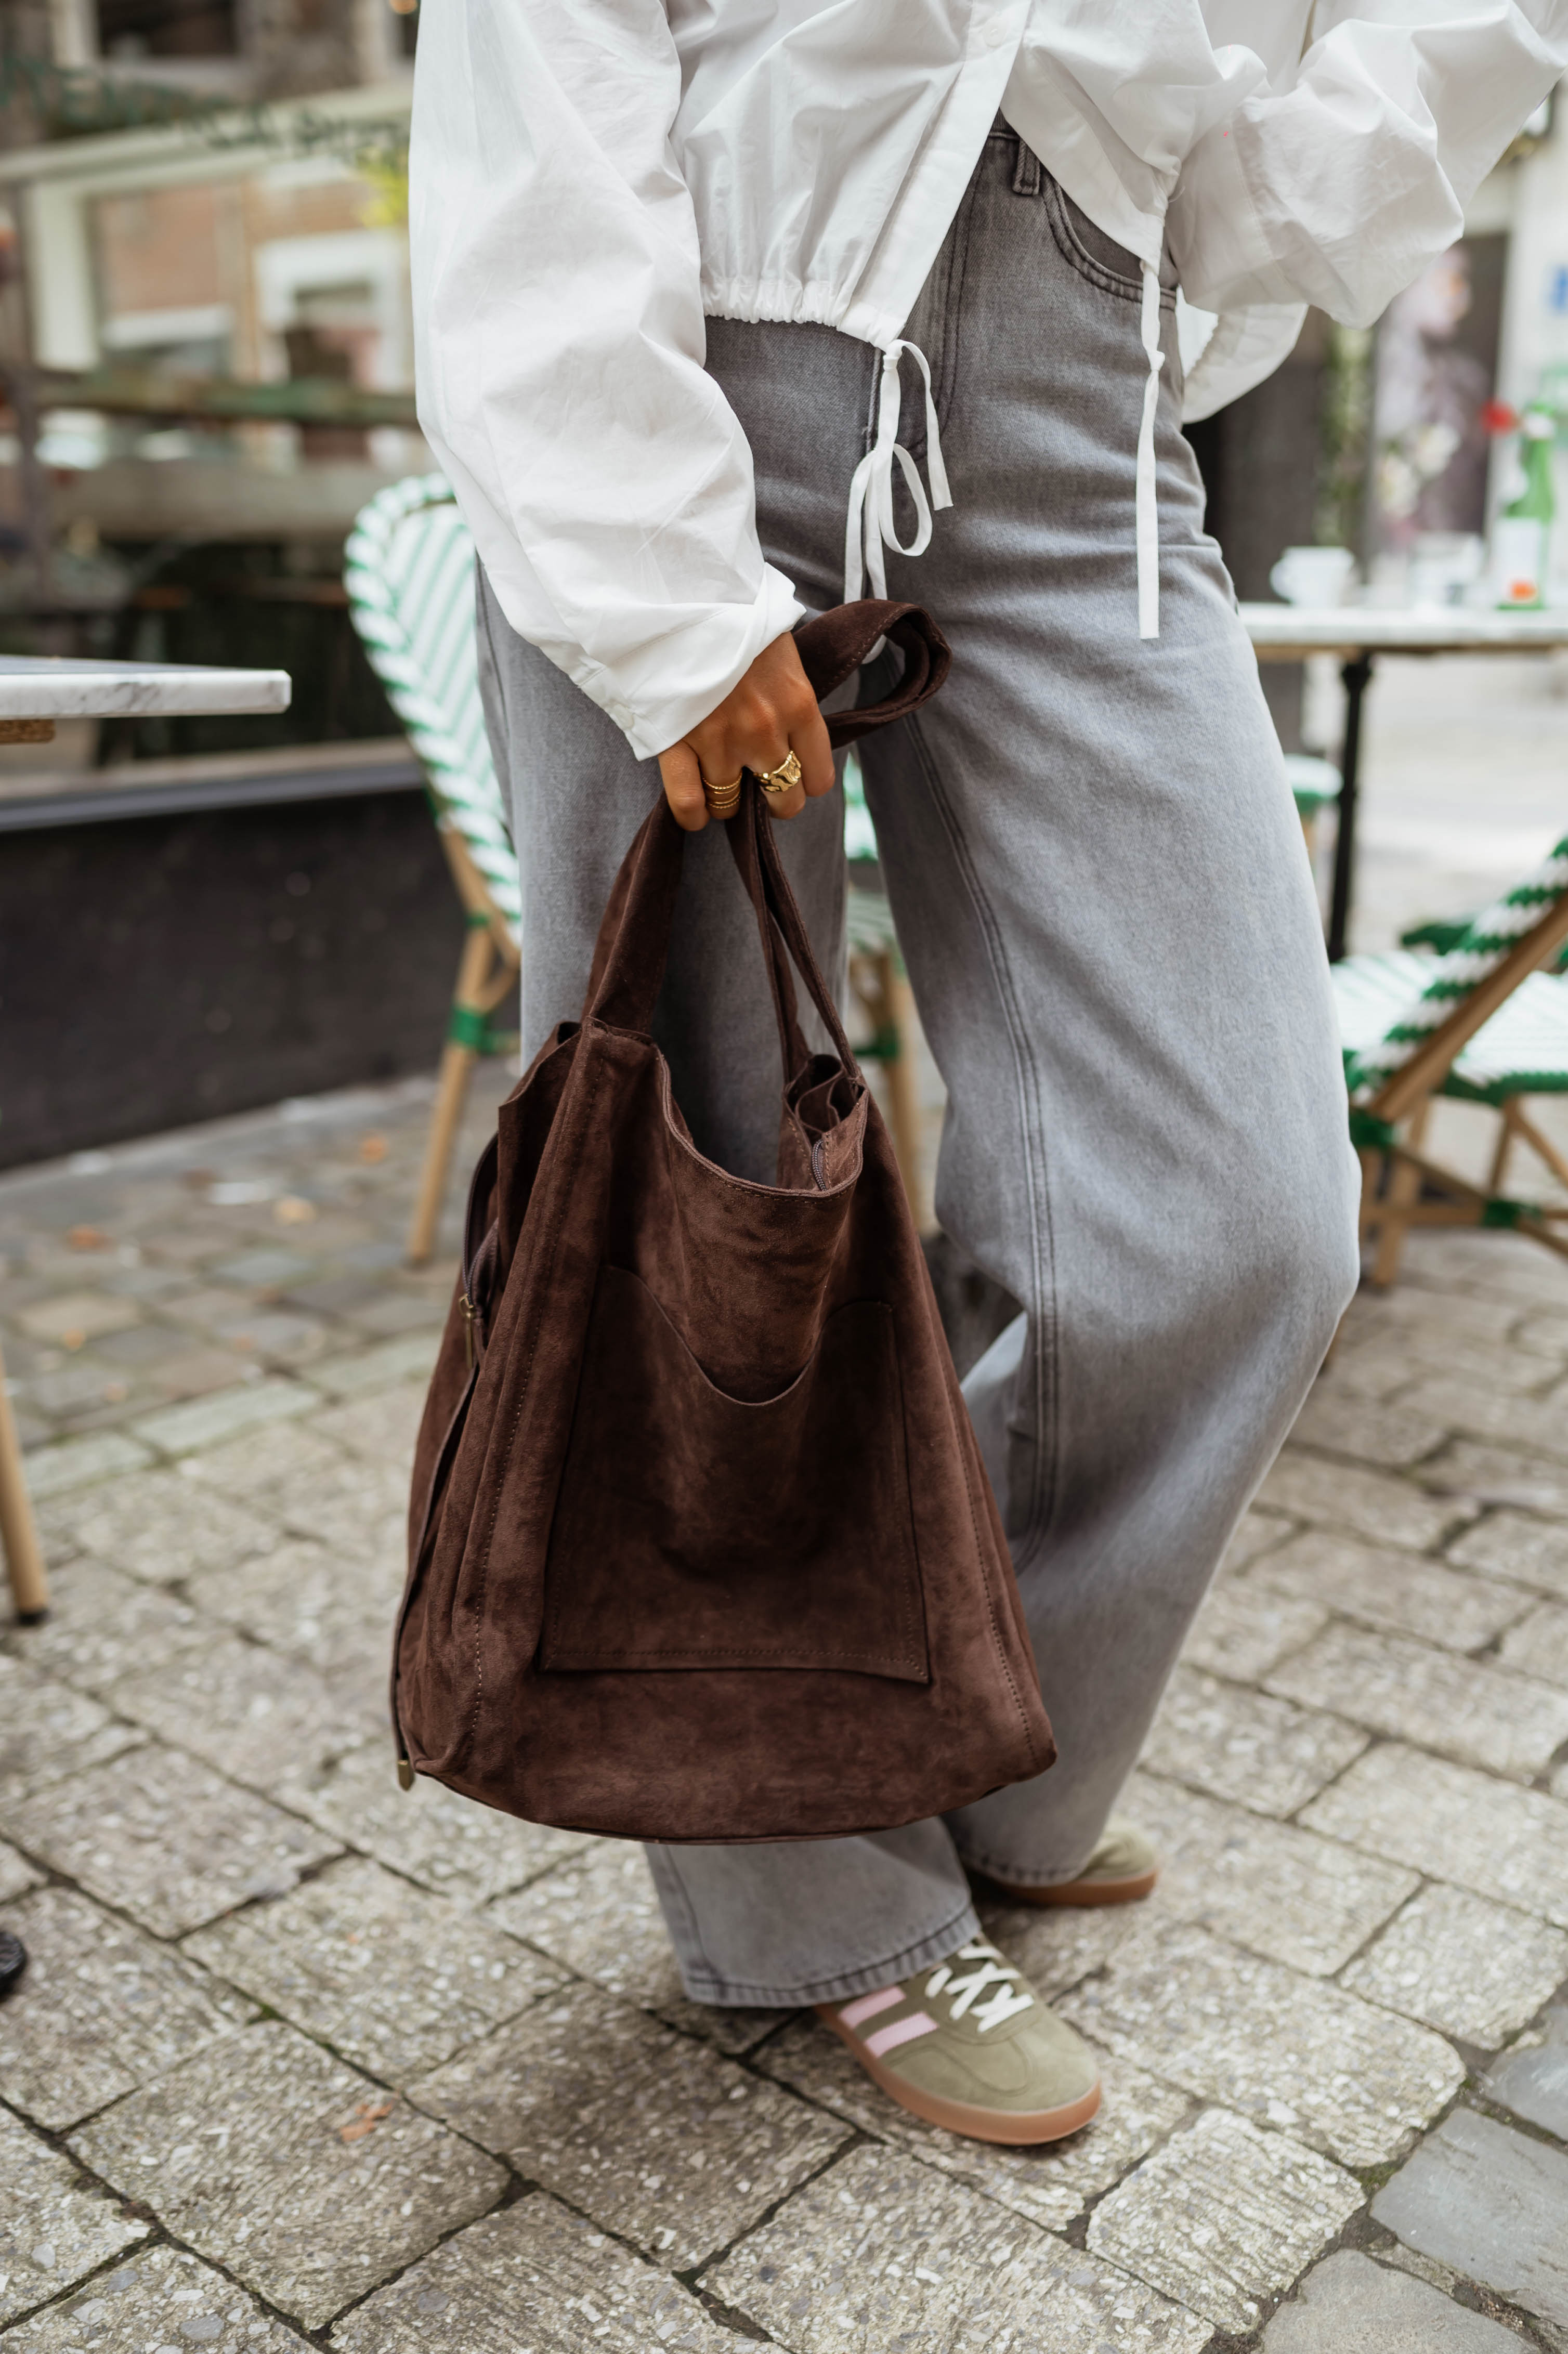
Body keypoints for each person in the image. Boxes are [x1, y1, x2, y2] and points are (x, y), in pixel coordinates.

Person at [410, 2, 1566, 2146]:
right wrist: (647, 571)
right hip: (697, 313)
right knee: (717, 1203)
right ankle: (823, 1883)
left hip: (1080, 375)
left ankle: (967, 1745)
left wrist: (1188, 243)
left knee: (1243, 1215)